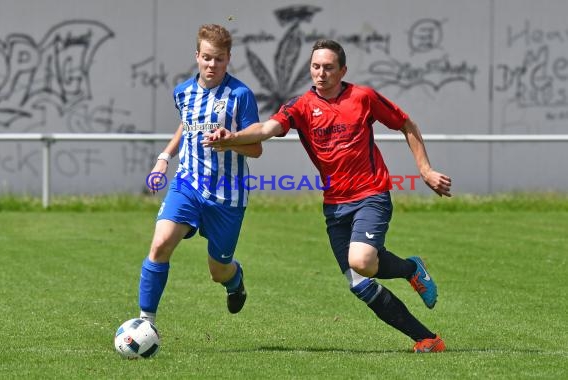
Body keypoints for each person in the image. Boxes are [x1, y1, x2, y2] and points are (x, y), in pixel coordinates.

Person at [203, 39, 452, 353]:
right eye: (315, 67)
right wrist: (233, 138)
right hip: (335, 206)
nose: (321, 73)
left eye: (328, 67)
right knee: (360, 283)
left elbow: (406, 124)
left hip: (371, 194)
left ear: (343, 70)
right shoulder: (300, 106)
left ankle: (411, 271)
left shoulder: (363, 97)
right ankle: (427, 338)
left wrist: (425, 170)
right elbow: (266, 129)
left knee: (361, 261)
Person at [138, 24, 262, 324]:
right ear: (197, 56)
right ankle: (146, 322)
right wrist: (165, 157)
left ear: (228, 58)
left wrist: (229, 140)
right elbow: (187, 127)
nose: (212, 65)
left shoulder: (240, 95)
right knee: (160, 244)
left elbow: (256, 148)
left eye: (219, 59)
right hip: (187, 184)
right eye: (207, 57)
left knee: (218, 271)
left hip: (227, 195)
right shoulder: (183, 93)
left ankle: (234, 280)